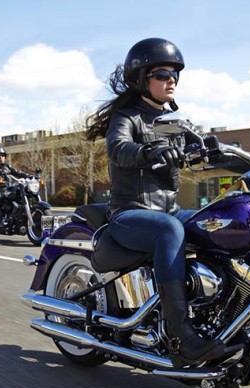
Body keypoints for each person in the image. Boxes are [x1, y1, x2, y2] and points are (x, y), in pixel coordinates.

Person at [86, 38, 240, 364]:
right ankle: (180, 334)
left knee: (224, 220)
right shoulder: (126, 118)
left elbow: (205, 149)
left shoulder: (176, 121)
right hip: (130, 213)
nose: (171, 80)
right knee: (170, 230)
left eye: (175, 74)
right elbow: (118, 148)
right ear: (142, 79)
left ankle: (227, 316)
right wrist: (148, 151)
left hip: (169, 210)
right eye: (162, 74)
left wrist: (245, 161)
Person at [0, 146, 31, 223]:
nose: (1, 158)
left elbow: (18, 172)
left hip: (7, 188)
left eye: (2, 156)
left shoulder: (7, 166)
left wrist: (30, 176)